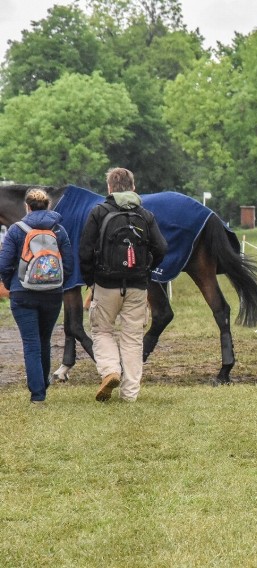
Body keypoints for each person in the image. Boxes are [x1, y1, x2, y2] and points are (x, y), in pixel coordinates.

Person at [79, 168, 167, 402]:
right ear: (133, 187)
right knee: (132, 338)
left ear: (109, 188)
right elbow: (161, 248)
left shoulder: (98, 212)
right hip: (137, 285)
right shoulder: (145, 215)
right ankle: (130, 394)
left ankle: (110, 371)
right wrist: (145, 270)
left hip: (105, 284)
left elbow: (85, 251)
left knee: (102, 330)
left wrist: (91, 281)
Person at [0, 188, 74, 405]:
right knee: (45, 340)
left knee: (31, 343)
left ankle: (38, 394)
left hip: (22, 293)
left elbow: (3, 265)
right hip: (52, 294)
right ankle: (42, 383)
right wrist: (56, 284)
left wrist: (10, 284)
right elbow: (68, 265)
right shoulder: (59, 230)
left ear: (27, 206)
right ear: (48, 206)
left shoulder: (16, 230)